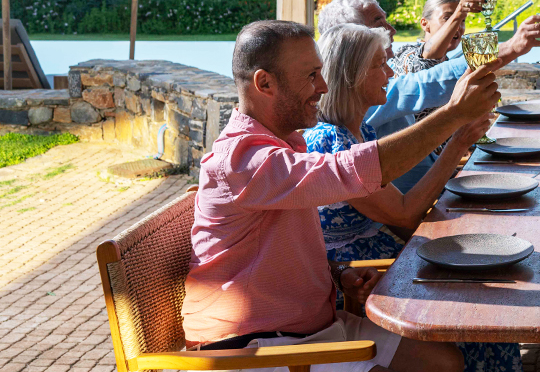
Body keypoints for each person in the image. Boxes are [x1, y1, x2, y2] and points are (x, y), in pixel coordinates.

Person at [183, 20, 502, 372]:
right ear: (265, 83)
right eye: (311, 75)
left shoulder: (284, 145)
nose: (322, 86)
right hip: (252, 345)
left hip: (311, 328)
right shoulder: (242, 161)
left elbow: (274, 254)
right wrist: (453, 115)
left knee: (446, 362)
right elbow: (354, 170)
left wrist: (338, 274)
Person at [305, 23, 522, 372]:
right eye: (380, 65)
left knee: (485, 301)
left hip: (383, 261)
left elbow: (400, 215)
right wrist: (458, 140)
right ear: (353, 76)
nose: (390, 74)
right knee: (479, 321)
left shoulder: (362, 130)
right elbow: (404, 213)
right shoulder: (332, 141)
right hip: (359, 280)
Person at [318, 0, 540, 191]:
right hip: (424, 204)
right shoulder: (351, 109)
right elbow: (427, 80)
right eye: (379, 22)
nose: (391, 29)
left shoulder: (383, 76)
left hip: (437, 190)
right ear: (349, 42)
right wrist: (512, 47)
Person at [390, 0, 483, 75]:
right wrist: (458, 14)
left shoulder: (446, 62)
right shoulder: (405, 54)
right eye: (447, 18)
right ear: (425, 24)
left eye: (462, 20)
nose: (457, 26)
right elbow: (423, 63)